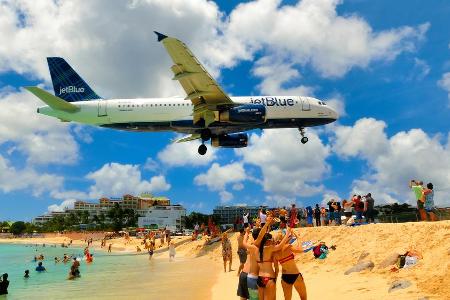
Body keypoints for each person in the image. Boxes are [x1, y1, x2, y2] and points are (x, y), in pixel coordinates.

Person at [243, 217, 275, 300]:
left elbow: (244, 242)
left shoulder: (252, 246)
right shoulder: (258, 245)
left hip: (249, 277)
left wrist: (246, 233)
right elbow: (261, 235)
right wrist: (267, 223)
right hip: (257, 277)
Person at [257, 225, 292, 300]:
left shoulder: (257, 249)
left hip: (260, 278)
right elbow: (280, 246)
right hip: (269, 278)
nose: (272, 240)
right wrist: (287, 234)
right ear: (268, 241)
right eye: (271, 239)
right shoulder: (269, 249)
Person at [273, 230, 307, 300]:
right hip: (295, 274)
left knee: (287, 299)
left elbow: (276, 269)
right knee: (303, 297)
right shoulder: (288, 246)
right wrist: (298, 238)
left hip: (285, 276)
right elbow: (300, 250)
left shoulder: (274, 253)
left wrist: (274, 280)